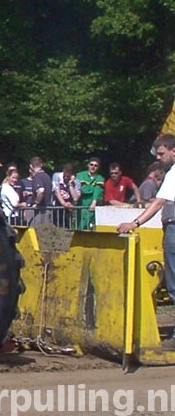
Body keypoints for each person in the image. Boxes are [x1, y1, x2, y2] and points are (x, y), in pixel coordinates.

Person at [117, 134, 175, 349]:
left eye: (161, 153)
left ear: (173, 150)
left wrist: (135, 222)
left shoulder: (173, 173)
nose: (159, 158)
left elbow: (159, 201)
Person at [76, 157, 105, 230]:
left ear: (98, 167)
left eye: (95, 165)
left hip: (93, 204)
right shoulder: (80, 175)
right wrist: (90, 189)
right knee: (80, 226)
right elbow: (82, 190)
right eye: (91, 164)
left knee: (92, 227)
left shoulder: (100, 178)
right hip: (82, 204)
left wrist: (94, 201)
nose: (93, 167)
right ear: (88, 165)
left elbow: (97, 191)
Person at [52, 163, 81, 228]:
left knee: (67, 228)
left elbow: (76, 198)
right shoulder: (56, 176)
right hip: (56, 208)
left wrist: (70, 184)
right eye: (64, 176)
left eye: (68, 177)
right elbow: (56, 192)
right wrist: (64, 203)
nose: (65, 178)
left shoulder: (76, 182)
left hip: (68, 209)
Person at [28, 156, 52, 225]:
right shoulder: (47, 176)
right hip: (48, 209)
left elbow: (41, 190)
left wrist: (36, 203)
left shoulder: (37, 176)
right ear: (41, 165)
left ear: (31, 166)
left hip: (39, 212)